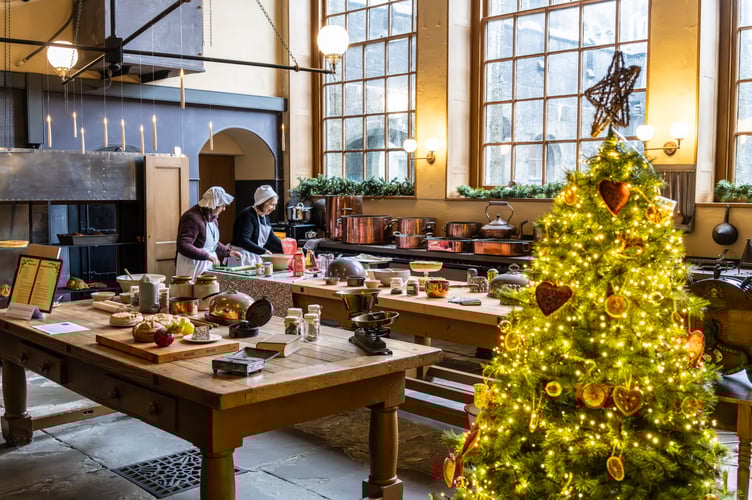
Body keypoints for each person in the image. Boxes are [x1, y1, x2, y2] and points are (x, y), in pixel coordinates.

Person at [175, 186, 240, 280]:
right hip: (192, 265)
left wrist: (228, 252)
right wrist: (207, 256)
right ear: (214, 205)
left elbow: (212, 243)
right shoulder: (192, 217)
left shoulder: (212, 218)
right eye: (223, 206)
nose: (224, 209)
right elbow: (183, 245)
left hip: (207, 263)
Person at [229, 185, 283, 266]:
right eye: (272, 204)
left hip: (254, 256)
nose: (274, 208)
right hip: (240, 257)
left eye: (275, 205)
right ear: (262, 202)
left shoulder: (265, 216)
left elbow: (271, 239)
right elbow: (243, 240)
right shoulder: (247, 215)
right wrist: (263, 251)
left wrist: (286, 247)